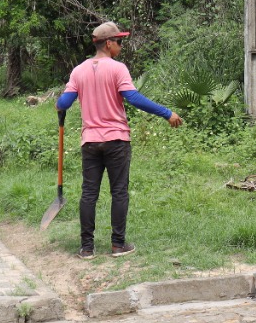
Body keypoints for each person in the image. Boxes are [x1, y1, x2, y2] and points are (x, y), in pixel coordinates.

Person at [56, 21, 182, 259]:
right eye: (120, 42)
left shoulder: (78, 71)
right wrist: (166, 113)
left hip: (90, 142)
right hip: (116, 140)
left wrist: (59, 104)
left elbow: (63, 103)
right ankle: (117, 245)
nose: (121, 47)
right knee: (119, 192)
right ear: (108, 44)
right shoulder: (118, 69)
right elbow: (133, 98)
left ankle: (86, 248)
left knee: (89, 193)